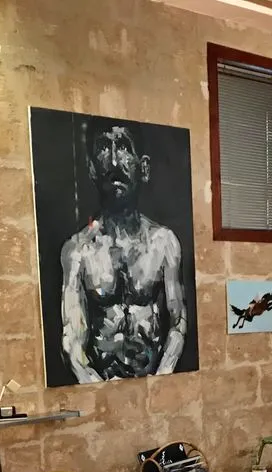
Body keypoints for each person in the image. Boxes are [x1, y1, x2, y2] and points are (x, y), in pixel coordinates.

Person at [59, 118, 187, 382]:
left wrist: (161, 380)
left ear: (144, 167)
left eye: (125, 147)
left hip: (156, 382)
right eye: (104, 148)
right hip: (98, 385)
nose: (115, 161)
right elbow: (72, 339)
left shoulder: (164, 243)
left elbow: (178, 323)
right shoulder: (78, 251)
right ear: (92, 168)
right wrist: (97, 388)